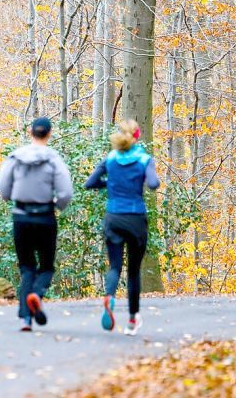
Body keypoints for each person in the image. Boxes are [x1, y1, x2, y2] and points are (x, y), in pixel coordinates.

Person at [84, 119, 160, 335]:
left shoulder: (110, 158)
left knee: (115, 267)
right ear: (137, 137)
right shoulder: (144, 159)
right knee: (133, 272)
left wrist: (110, 183)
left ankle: (109, 295)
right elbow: (153, 184)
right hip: (135, 219)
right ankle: (132, 320)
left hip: (113, 217)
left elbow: (89, 183)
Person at [0, 117, 73, 332]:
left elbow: (3, 186)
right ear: (49, 134)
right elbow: (66, 192)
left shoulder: (15, 157)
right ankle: (37, 295)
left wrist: (10, 197)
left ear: (30, 132)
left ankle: (25, 319)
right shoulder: (53, 159)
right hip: (45, 217)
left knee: (26, 267)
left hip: (21, 216)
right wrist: (57, 205)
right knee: (46, 266)